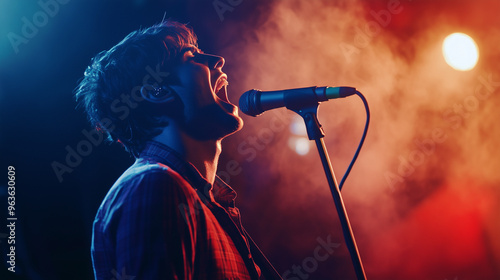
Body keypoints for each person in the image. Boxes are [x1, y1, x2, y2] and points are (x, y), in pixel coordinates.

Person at [75, 21, 282, 279]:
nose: (217, 60)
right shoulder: (153, 186)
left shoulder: (198, 198)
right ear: (157, 91)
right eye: (191, 56)